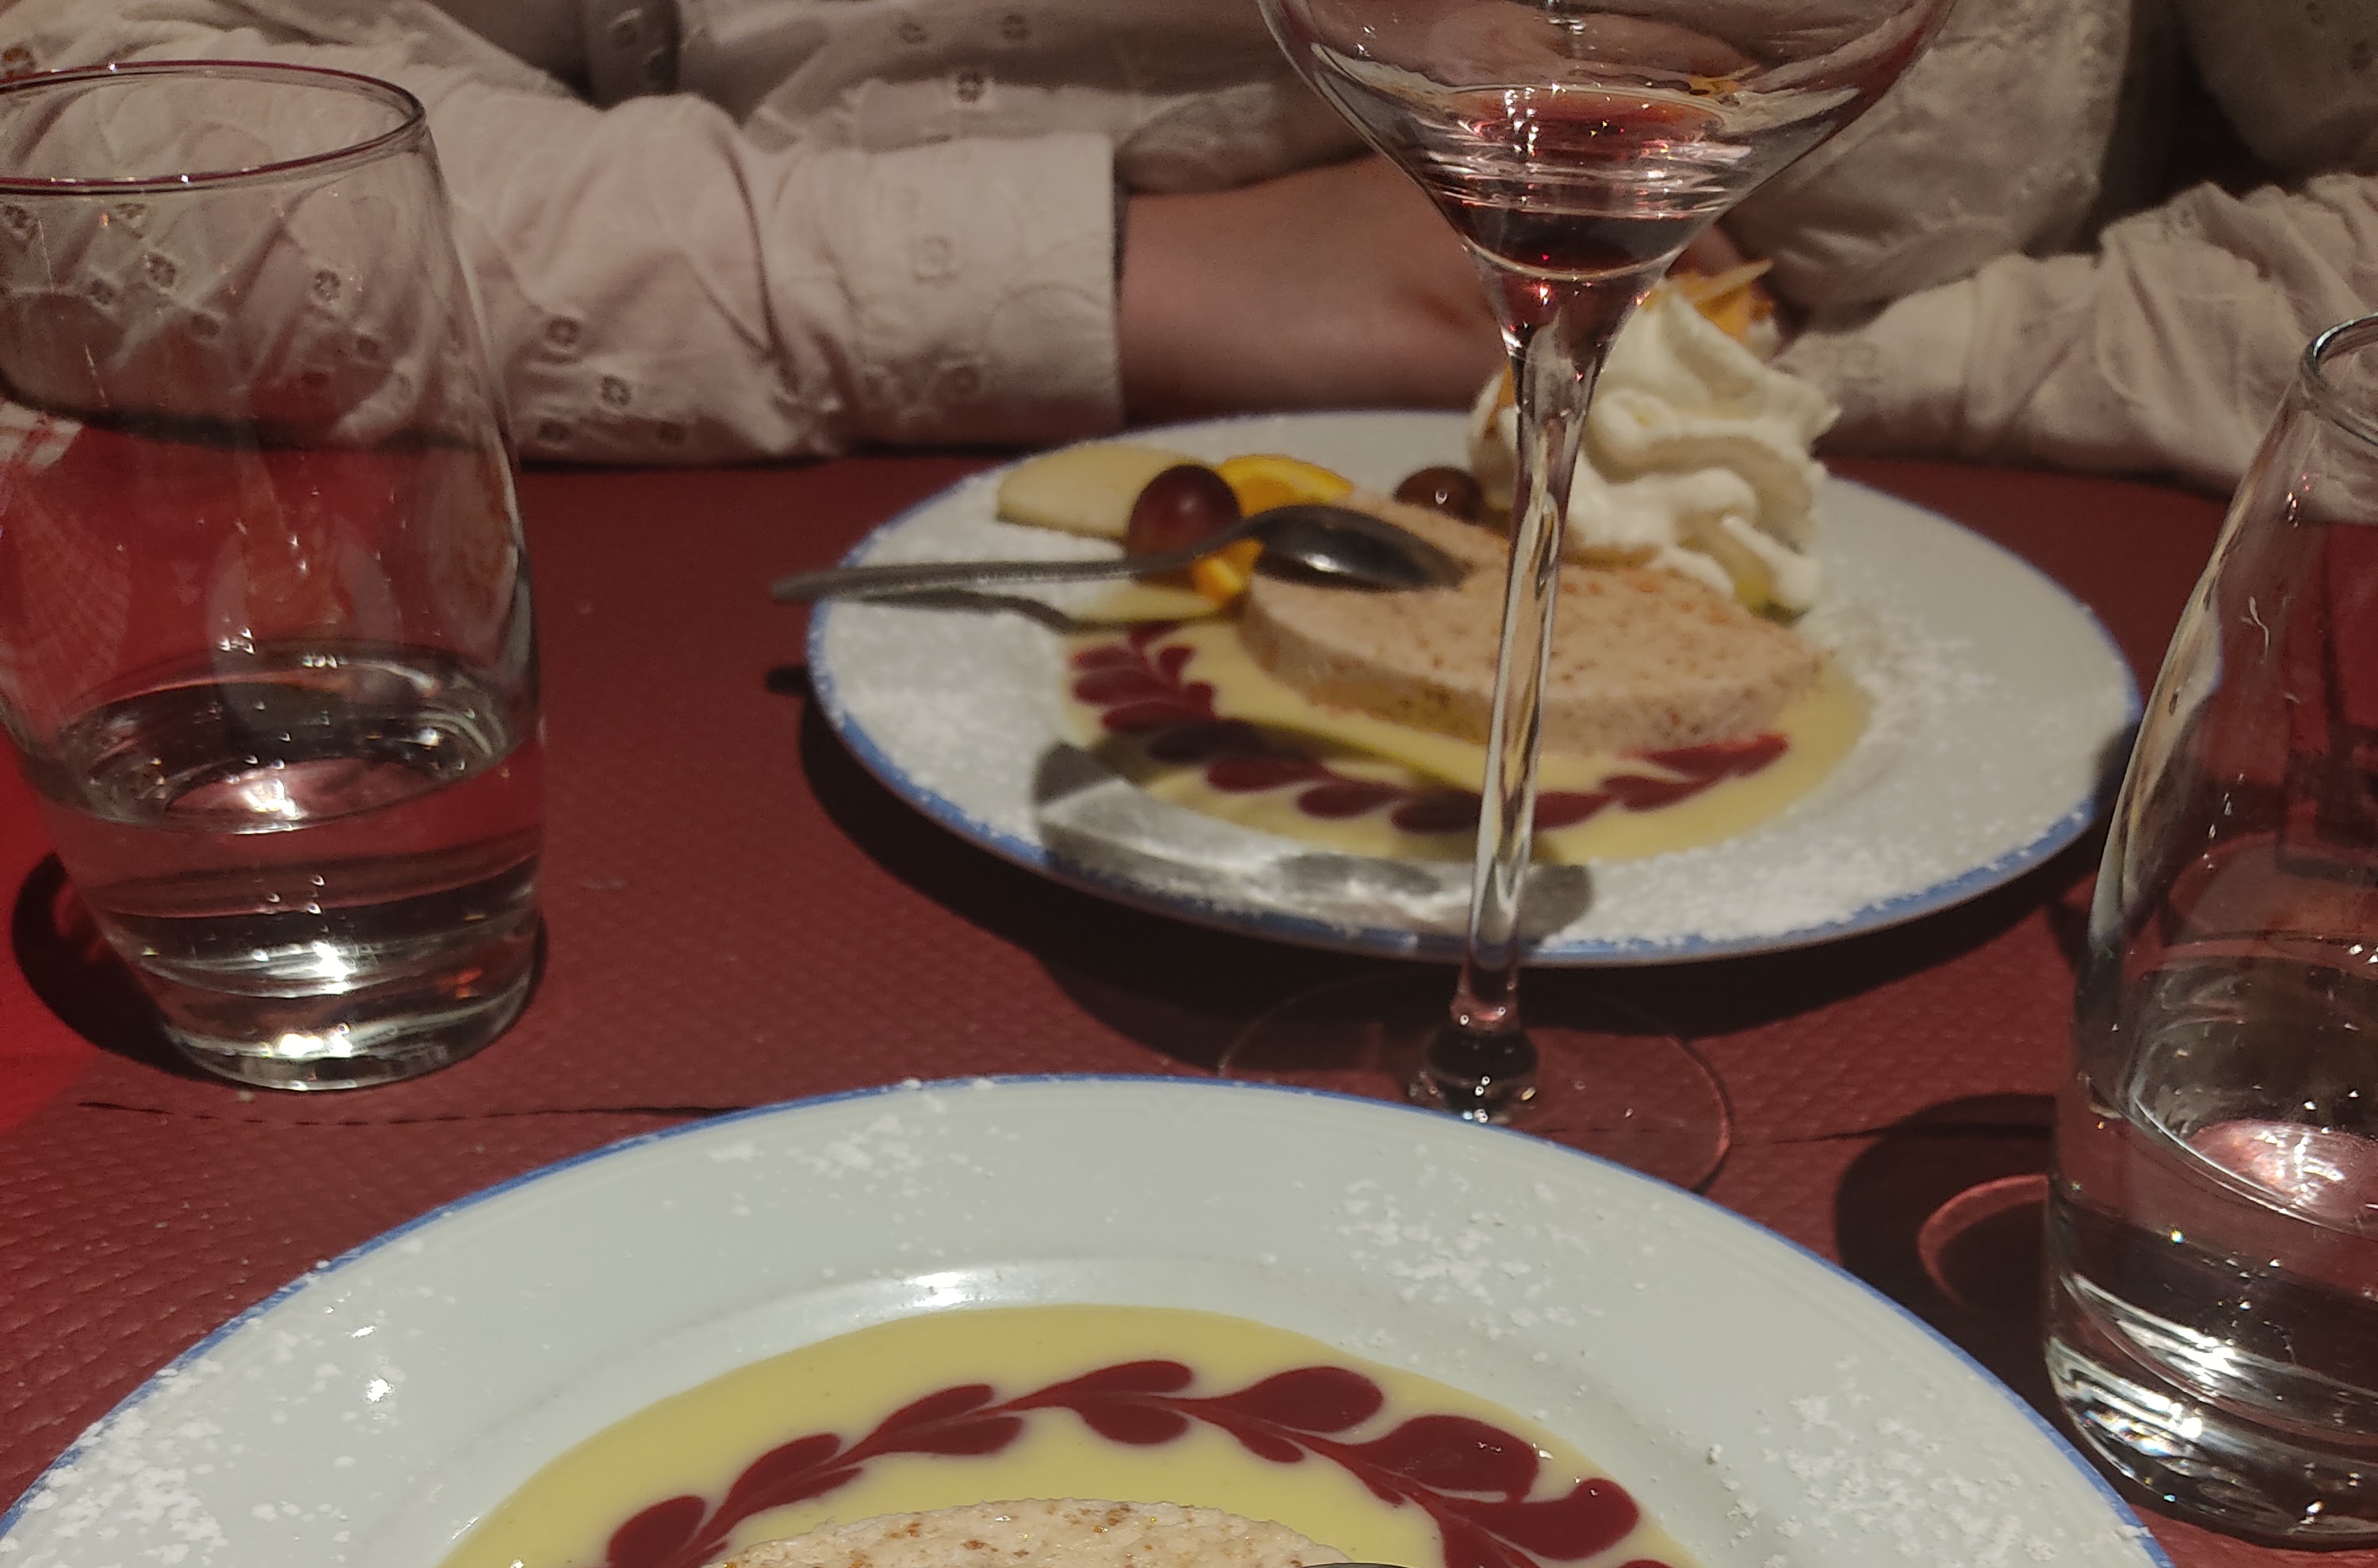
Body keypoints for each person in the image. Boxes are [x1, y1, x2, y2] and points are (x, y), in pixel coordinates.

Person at [5, 0, 2375, 488]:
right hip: (728, 569)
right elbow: (85, 112)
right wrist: (1123, 286)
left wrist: (1827, 387)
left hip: (1983, 588)